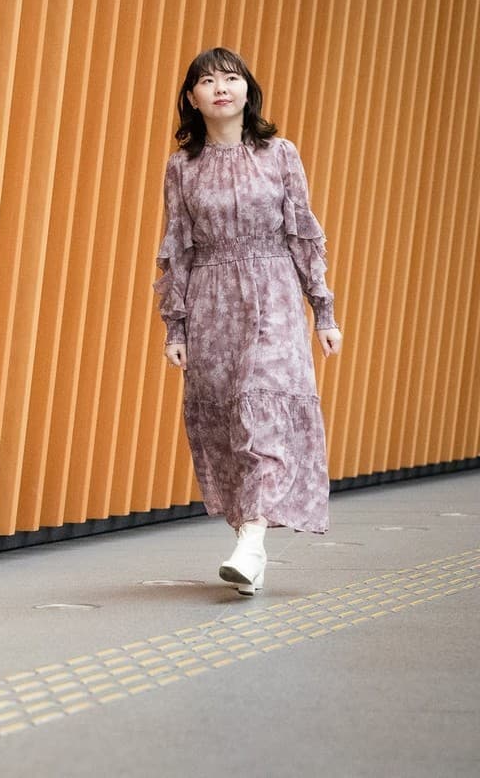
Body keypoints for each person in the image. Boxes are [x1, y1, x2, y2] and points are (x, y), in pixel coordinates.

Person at [153, 47, 343, 597]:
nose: (220, 87)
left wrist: (323, 310)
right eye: (207, 80)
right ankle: (248, 547)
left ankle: (254, 539)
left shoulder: (280, 154)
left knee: (263, 410)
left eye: (230, 78)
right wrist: (176, 327)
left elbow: (303, 234)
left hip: (274, 295)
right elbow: (178, 248)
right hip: (212, 303)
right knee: (230, 423)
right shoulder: (181, 167)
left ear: (247, 91)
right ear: (192, 99)